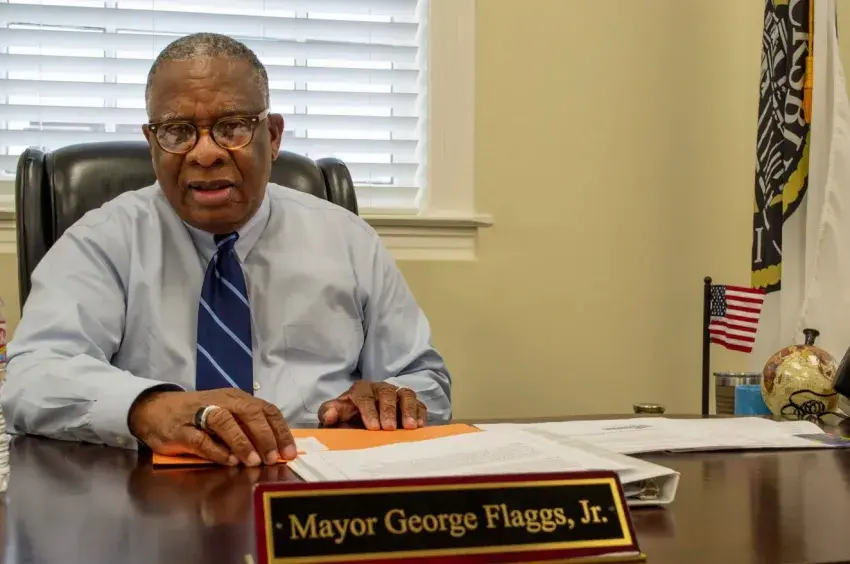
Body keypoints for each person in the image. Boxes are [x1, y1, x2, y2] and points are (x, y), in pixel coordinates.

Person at [0, 33, 451, 468]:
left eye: (232, 127)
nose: (205, 153)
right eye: (177, 131)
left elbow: (425, 380)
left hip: (315, 483)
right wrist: (147, 408)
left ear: (273, 136)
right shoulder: (101, 240)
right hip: (153, 494)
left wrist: (391, 400)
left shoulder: (348, 239)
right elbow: (32, 377)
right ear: (152, 144)